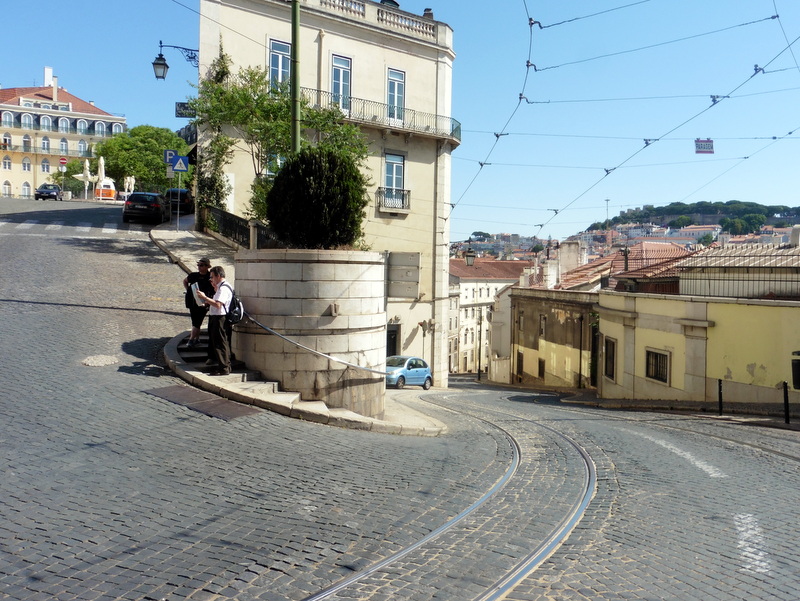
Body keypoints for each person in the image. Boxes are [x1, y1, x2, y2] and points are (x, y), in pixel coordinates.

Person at [195, 265, 232, 376]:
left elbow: (217, 304)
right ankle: (223, 366)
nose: (210, 279)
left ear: (218, 276)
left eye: (212, 277)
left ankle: (224, 368)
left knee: (220, 343)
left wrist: (205, 297)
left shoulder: (224, 288)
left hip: (219, 318)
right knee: (218, 342)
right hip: (217, 317)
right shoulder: (220, 288)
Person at [182, 257, 215, 347]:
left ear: (207, 266)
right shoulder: (193, 275)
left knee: (197, 321)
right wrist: (188, 290)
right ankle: (196, 339)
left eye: (201, 265)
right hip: (192, 302)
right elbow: (185, 281)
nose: (199, 267)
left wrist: (209, 299)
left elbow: (214, 288)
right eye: (198, 265)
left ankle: (191, 340)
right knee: (195, 321)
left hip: (203, 303)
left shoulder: (210, 277)